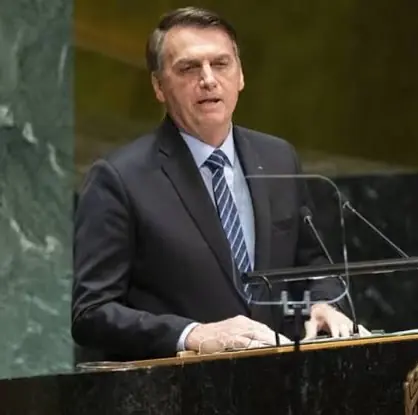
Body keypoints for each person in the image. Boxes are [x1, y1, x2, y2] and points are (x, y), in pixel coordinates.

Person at [72, 6, 362, 361]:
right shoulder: (119, 178)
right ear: (159, 86)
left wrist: (323, 302)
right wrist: (192, 334)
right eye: (189, 68)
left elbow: (313, 263)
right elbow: (92, 313)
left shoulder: (278, 157)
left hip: (281, 379)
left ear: (240, 76)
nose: (208, 79)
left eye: (221, 64)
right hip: (182, 385)